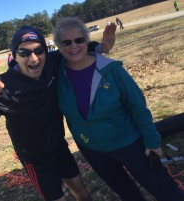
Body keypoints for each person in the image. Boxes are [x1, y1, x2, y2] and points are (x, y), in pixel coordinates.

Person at [0, 24, 116, 201]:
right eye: (24, 53)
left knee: (82, 193)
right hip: (35, 159)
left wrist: (101, 47)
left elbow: (73, 49)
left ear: (45, 51)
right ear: (14, 56)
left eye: (38, 50)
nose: (33, 58)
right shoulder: (3, 86)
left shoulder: (51, 62)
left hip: (59, 146)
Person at [54, 16, 184, 201]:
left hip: (128, 143)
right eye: (66, 42)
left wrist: (153, 142)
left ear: (87, 40)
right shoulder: (57, 74)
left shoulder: (112, 70)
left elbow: (138, 108)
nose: (73, 46)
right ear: (58, 45)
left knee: (164, 189)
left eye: (79, 40)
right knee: (126, 193)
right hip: (92, 149)